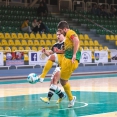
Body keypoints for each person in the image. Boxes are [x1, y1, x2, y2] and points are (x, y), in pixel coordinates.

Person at [56, 21, 81, 108]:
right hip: (66, 59)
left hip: (70, 60)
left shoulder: (70, 32)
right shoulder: (67, 37)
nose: (60, 32)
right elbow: (68, 50)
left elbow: (76, 40)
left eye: (60, 30)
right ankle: (70, 98)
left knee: (63, 81)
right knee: (60, 79)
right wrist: (60, 51)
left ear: (65, 29)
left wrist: (74, 54)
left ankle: (71, 98)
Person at [39, 31, 66, 103]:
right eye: (57, 35)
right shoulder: (55, 45)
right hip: (59, 66)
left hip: (65, 65)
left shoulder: (66, 43)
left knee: (54, 79)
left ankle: (48, 98)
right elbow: (49, 54)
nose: (58, 36)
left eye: (59, 35)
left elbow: (68, 52)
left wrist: (59, 51)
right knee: (52, 84)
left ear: (63, 35)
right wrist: (45, 52)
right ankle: (61, 96)